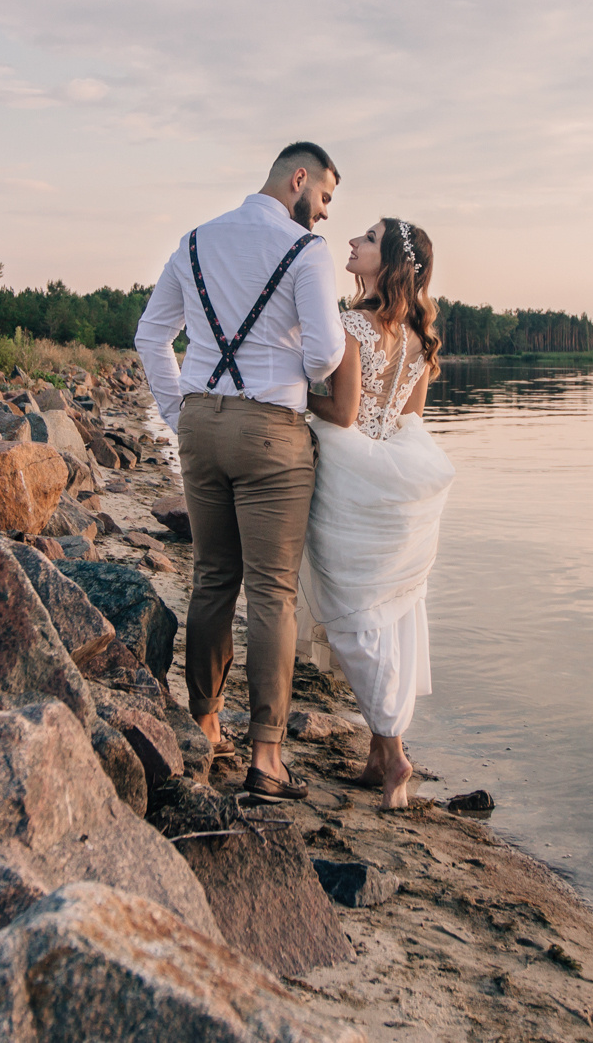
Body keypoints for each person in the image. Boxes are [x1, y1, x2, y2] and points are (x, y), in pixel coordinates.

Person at [134, 142, 345, 803]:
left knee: (214, 578)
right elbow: (324, 357)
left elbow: (151, 336)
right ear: (299, 178)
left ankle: (204, 723)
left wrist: (179, 410)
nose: (327, 213)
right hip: (270, 434)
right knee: (274, 593)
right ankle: (267, 757)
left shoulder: (196, 241)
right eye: (327, 198)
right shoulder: (306, 252)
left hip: (199, 424)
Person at [300, 217, 454, 810]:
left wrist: (292, 392)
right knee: (390, 608)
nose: (353, 243)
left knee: (349, 609)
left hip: (347, 473)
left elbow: (340, 414)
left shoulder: (352, 325)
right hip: (395, 471)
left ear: (386, 262)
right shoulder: (418, 337)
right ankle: (376, 751)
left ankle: (392, 755)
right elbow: (409, 415)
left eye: (366, 239)